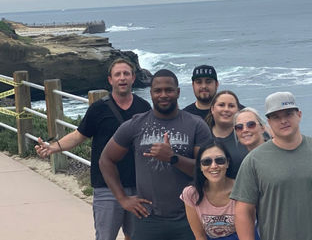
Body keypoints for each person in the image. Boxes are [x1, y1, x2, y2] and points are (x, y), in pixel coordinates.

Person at [34, 58, 151, 240]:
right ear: (110, 80)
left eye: (126, 73)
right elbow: (79, 135)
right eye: (117, 74)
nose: (122, 78)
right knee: (105, 237)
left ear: (133, 78)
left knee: (137, 236)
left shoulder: (144, 108)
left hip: (137, 185)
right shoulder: (98, 108)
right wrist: (52, 148)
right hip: (106, 187)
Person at [99, 69, 212, 240]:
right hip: (147, 219)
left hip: (188, 216)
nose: (163, 95)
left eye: (169, 90)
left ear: (178, 92)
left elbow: (206, 170)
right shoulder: (135, 125)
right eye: (158, 91)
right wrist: (122, 199)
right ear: (150, 93)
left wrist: (173, 158)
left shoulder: (196, 125)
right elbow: (106, 159)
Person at [230, 91, 312, 240]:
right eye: (276, 117)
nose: (283, 120)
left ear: (299, 115)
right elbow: (243, 211)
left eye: (288, 114)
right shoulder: (253, 160)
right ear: (269, 122)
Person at [180, 141, 260, 240]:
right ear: (200, 166)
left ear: (227, 163)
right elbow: (200, 236)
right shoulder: (191, 194)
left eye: (220, 160)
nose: (213, 166)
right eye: (206, 162)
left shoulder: (242, 189)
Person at [206, 90, 248, 179]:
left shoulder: (247, 135)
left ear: (238, 111)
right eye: (221, 105)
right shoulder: (202, 135)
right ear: (212, 109)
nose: (226, 109)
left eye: (231, 106)